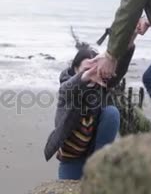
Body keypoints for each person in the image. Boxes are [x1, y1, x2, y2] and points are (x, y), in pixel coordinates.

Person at [43, 31, 137, 180]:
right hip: (71, 159)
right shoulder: (68, 88)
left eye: (96, 68)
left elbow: (119, 69)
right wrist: (84, 77)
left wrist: (130, 40)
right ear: (75, 69)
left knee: (111, 112)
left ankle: (98, 162)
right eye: (87, 69)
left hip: (91, 152)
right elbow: (66, 90)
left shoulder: (100, 85)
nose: (93, 72)